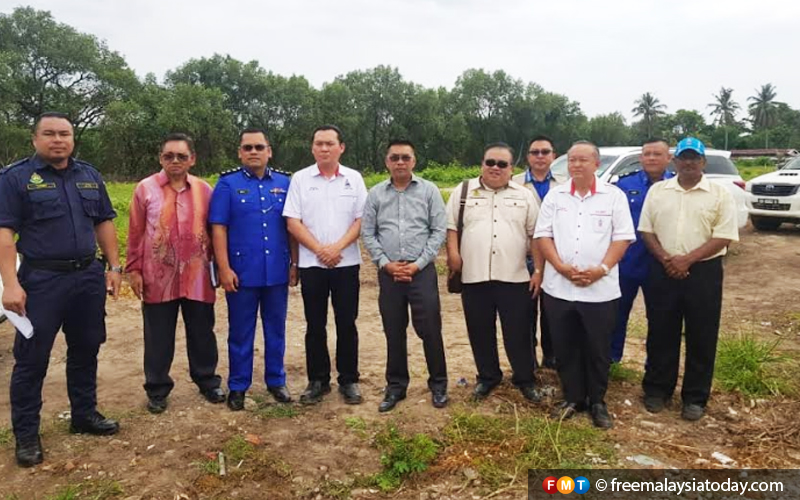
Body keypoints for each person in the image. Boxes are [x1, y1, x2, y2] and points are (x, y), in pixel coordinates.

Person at [0, 112, 122, 467]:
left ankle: (84, 415)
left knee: (86, 348)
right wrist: (10, 284)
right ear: (35, 138)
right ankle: (26, 435)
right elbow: (4, 233)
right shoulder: (15, 178)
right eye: (50, 134)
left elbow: (104, 221)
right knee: (31, 359)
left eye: (64, 134)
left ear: (72, 138)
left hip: (87, 277)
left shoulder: (89, 175)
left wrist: (114, 267)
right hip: (42, 280)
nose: (58, 140)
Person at [534, 140, 635, 429]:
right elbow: (543, 235)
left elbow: (622, 238)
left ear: (596, 164)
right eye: (572, 160)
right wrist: (560, 267)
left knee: (597, 348)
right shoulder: (555, 196)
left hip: (600, 289)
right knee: (565, 346)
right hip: (559, 287)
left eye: (583, 160)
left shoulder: (613, 196)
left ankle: (597, 401)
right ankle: (573, 397)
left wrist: (601, 270)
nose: (576, 165)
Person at [638, 137, 738, 421]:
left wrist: (687, 259)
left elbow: (724, 235)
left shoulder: (719, 194)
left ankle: (695, 397)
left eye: (695, 158)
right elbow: (646, 230)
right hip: (663, 269)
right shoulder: (658, 191)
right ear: (675, 161)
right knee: (661, 331)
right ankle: (657, 390)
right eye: (684, 157)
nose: (689, 163)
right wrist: (666, 259)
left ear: (703, 162)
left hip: (703, 272)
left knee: (702, 334)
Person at [126, 133, 225, 414]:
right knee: (158, 336)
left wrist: (220, 266)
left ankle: (207, 381)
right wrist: (134, 269)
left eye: (181, 156)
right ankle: (157, 388)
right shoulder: (145, 189)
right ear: (161, 158)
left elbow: (215, 231)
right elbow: (135, 232)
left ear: (192, 159)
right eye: (169, 156)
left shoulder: (205, 190)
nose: (175, 161)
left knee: (202, 332)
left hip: (197, 275)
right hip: (158, 277)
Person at [209, 128, 298, 411]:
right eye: (247, 148)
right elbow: (219, 228)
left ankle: (276, 381)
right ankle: (238, 385)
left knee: (276, 329)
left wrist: (294, 264)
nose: (253, 152)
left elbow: (292, 227)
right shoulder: (227, 184)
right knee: (240, 332)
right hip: (242, 272)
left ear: (269, 151)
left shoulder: (285, 183)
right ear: (240, 153)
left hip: (276, 271)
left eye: (259, 147)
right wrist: (224, 268)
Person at [445, 142, 541, 403]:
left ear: (511, 168)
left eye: (502, 164)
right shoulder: (463, 191)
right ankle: (488, 377)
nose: (495, 168)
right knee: (479, 330)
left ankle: (525, 378)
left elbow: (536, 235)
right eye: (490, 162)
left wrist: (538, 270)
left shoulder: (524, 196)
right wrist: (453, 254)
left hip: (514, 277)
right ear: (482, 165)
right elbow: (451, 227)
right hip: (474, 276)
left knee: (518, 332)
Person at [361, 139, 448, 412]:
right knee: (394, 329)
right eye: (394, 157)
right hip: (389, 273)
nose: (400, 162)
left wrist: (418, 264)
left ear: (414, 161)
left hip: (421, 272)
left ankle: (438, 384)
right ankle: (396, 386)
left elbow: (438, 231)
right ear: (386, 162)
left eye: (405, 157)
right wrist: (385, 263)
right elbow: (368, 232)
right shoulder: (376, 194)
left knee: (430, 328)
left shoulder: (429, 191)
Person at [283, 125, 367, 405]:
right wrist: (320, 250)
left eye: (330, 143)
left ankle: (349, 379)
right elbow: (292, 221)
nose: (324, 148)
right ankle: (318, 380)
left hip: (346, 263)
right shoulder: (300, 179)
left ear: (341, 147)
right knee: (315, 324)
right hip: (312, 264)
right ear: (312, 148)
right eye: (319, 143)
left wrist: (337, 248)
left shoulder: (354, 178)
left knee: (347, 323)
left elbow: (361, 219)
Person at [609, 138, 673, 363]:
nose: (651, 158)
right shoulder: (624, 184)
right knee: (617, 312)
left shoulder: (676, 186)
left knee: (659, 316)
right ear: (640, 157)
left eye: (657, 154)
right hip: (628, 260)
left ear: (668, 158)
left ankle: (654, 366)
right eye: (647, 154)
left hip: (661, 261)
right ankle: (611, 359)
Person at [512, 135, 561, 370]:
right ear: (528, 156)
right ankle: (528, 360)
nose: (540, 156)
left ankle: (551, 358)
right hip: (523, 258)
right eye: (535, 152)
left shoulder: (565, 185)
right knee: (524, 312)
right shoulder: (513, 183)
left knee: (553, 311)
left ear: (554, 155)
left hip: (555, 259)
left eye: (545, 152)